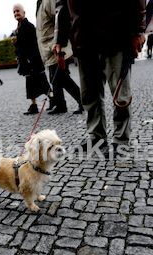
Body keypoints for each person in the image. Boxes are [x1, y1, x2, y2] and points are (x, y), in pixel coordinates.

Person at [53, 0, 146, 157]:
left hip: (116, 34)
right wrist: (59, 38)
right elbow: (61, 5)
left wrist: (137, 31)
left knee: (120, 93)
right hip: (82, 38)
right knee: (89, 95)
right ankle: (96, 137)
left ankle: (121, 140)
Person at [36, 0, 83, 114]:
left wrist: (59, 42)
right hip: (49, 48)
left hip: (56, 47)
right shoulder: (40, 2)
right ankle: (60, 105)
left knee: (62, 78)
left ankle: (82, 101)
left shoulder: (49, 0)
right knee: (56, 78)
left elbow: (60, 17)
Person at [11, 3, 52, 115]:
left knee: (42, 81)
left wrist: (30, 61)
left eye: (18, 11)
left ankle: (52, 100)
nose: (16, 13)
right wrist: (16, 45)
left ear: (24, 13)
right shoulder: (18, 27)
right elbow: (22, 46)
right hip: (26, 61)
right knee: (30, 83)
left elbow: (33, 45)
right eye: (14, 12)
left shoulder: (28, 26)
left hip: (33, 61)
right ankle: (34, 105)